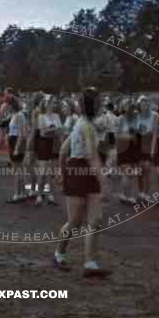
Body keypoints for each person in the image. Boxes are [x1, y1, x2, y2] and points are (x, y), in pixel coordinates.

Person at [54, 87, 111, 278]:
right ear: (91, 105)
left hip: (85, 172)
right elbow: (92, 157)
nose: (101, 104)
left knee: (95, 220)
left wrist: (61, 172)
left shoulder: (87, 124)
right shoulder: (85, 125)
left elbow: (63, 150)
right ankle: (59, 253)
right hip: (78, 171)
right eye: (98, 102)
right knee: (75, 222)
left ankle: (90, 263)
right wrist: (104, 182)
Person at [36, 96, 62, 205]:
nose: (53, 105)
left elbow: (60, 131)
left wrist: (50, 130)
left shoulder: (56, 116)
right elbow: (42, 133)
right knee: (42, 172)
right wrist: (53, 129)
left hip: (55, 145)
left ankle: (51, 195)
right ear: (46, 104)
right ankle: (39, 195)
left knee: (51, 173)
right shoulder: (41, 116)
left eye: (54, 103)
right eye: (51, 103)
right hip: (44, 145)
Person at [115, 98, 139, 205]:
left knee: (131, 174)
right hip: (123, 149)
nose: (129, 108)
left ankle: (124, 194)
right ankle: (128, 196)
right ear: (123, 108)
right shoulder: (120, 119)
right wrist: (129, 137)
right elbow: (116, 136)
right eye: (127, 106)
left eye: (131, 106)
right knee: (129, 172)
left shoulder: (136, 118)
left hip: (134, 149)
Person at [136, 95, 159, 202]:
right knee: (140, 172)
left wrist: (153, 150)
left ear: (150, 104)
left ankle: (146, 194)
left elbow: (155, 134)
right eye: (143, 103)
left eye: (147, 102)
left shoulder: (155, 115)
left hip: (149, 145)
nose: (145, 104)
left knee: (147, 170)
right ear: (139, 105)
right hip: (138, 146)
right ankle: (140, 193)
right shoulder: (136, 115)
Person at [6, 96, 28, 203]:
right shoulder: (15, 115)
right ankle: (22, 193)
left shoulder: (19, 115)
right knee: (19, 170)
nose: (6, 107)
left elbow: (21, 134)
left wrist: (17, 148)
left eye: (8, 105)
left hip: (16, 143)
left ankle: (17, 194)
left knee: (17, 171)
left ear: (12, 105)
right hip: (13, 142)